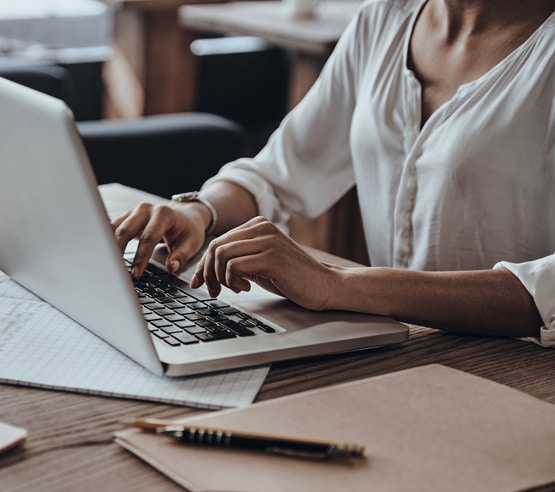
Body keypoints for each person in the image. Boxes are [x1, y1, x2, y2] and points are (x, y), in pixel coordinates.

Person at [112, 0, 554, 347]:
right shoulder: (382, 19)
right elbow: (280, 169)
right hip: (402, 349)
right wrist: (199, 211)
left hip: (519, 366)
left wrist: (339, 285)